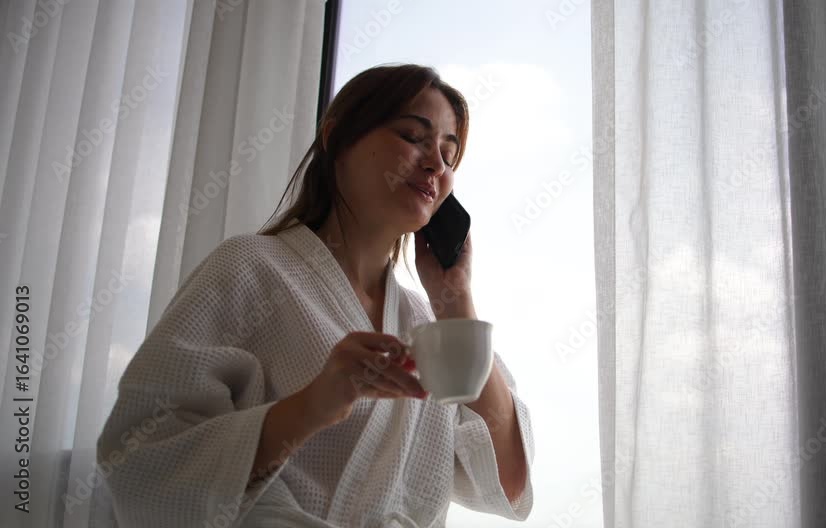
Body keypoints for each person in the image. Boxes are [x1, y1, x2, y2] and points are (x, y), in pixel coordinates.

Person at [97, 64, 534, 528]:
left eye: (449, 155)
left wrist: (454, 300)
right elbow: (139, 457)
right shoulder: (249, 267)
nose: (436, 166)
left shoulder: (428, 326)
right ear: (336, 137)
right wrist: (311, 407)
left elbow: (510, 483)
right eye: (413, 136)